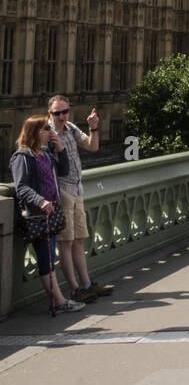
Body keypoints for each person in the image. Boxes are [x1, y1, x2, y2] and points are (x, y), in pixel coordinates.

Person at [10, 116, 85, 313]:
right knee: (46, 257)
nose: (49, 131)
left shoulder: (44, 153)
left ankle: (59, 301)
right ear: (34, 132)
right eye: (45, 129)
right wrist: (40, 200)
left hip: (52, 213)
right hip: (37, 215)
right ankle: (58, 302)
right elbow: (21, 187)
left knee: (50, 257)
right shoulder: (22, 157)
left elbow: (64, 170)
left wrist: (60, 146)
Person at [47, 95, 113, 301]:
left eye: (64, 111)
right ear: (49, 113)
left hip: (77, 189)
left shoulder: (70, 127)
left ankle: (86, 284)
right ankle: (76, 289)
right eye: (57, 113)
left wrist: (93, 127)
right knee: (66, 242)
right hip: (62, 191)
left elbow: (92, 147)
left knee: (79, 240)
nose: (61, 116)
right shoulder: (48, 133)